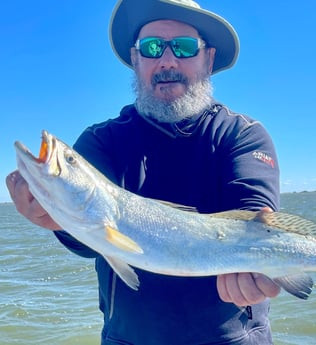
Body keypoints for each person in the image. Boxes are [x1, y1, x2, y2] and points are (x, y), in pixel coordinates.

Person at [6, 0, 281, 344]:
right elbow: (91, 238)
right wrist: (57, 220)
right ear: (136, 60)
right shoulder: (100, 141)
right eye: (152, 48)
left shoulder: (241, 134)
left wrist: (255, 270)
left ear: (208, 59)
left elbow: (255, 213)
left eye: (183, 47)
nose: (167, 61)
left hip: (233, 338)